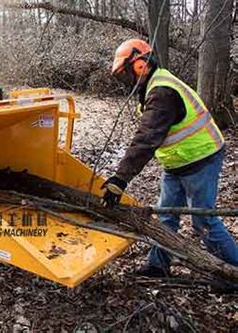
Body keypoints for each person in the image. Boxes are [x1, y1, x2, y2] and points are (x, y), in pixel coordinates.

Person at [101, 38, 238, 277]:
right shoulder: (155, 85)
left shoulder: (162, 92)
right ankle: (158, 266)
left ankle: (232, 272)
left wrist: (120, 179)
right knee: (166, 215)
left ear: (140, 65)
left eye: (126, 73)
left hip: (200, 158)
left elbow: (146, 139)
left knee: (203, 221)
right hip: (177, 162)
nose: (127, 81)